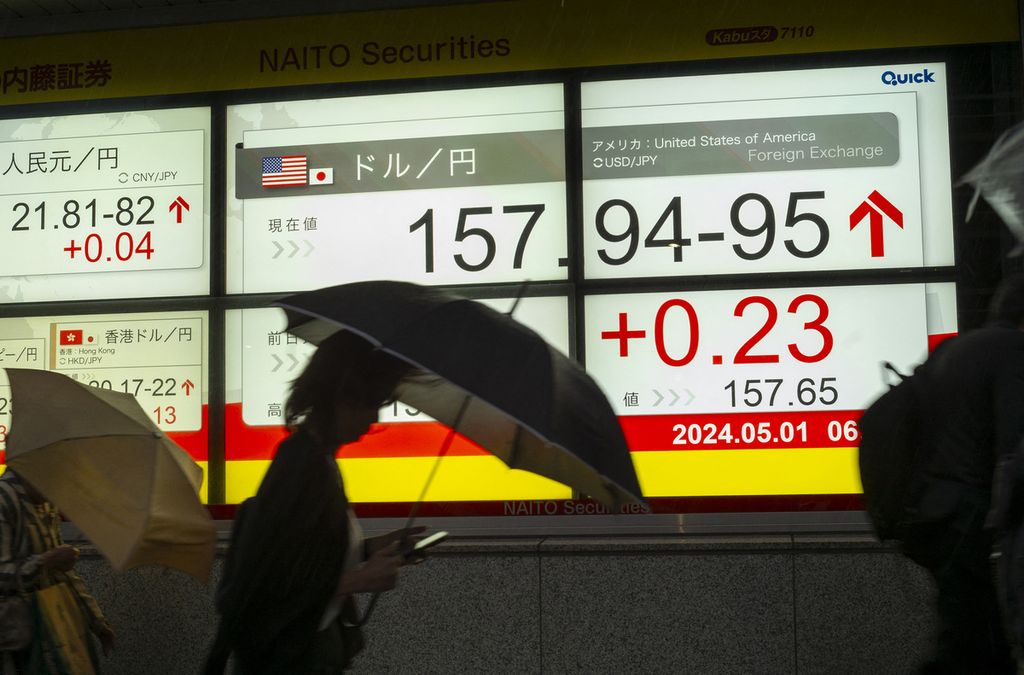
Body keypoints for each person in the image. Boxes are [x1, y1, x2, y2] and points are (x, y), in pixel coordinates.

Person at [205, 330, 427, 674]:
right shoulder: (301, 466)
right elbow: (267, 585)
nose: (375, 419)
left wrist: (372, 548)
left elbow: (304, 555)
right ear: (340, 398)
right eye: (370, 404)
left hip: (307, 650)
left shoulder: (318, 460)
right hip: (290, 660)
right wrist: (359, 579)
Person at [901, 273, 1024, 673]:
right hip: (969, 511)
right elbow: (1014, 447)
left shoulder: (955, 350)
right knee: (969, 636)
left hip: (930, 509)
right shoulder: (1011, 350)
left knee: (973, 630)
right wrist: (1002, 519)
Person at [0, 468, 115, 674]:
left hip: (45, 632)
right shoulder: (4, 498)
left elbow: (64, 573)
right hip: (11, 639)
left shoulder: (46, 503)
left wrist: (97, 623)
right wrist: (46, 561)